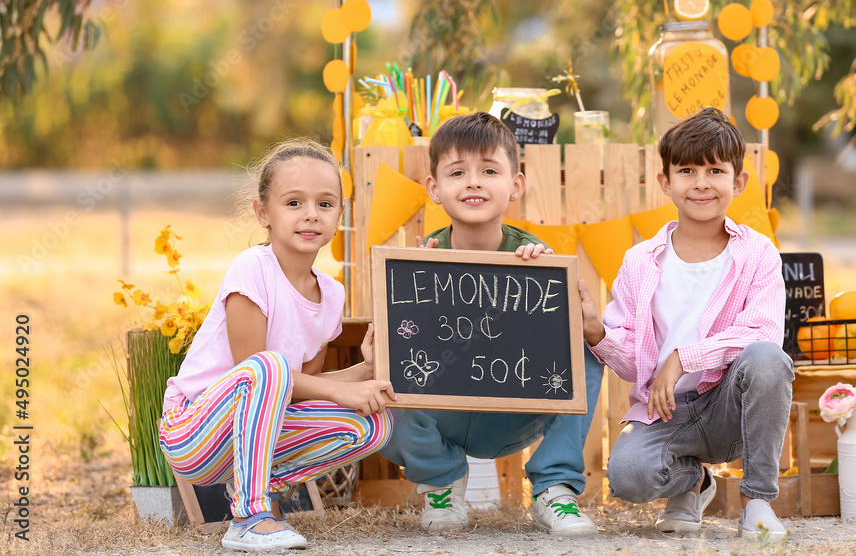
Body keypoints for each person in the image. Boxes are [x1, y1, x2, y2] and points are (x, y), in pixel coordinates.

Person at [159, 138, 395, 552]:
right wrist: (343, 389)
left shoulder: (332, 295)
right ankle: (250, 515)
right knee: (267, 366)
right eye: (293, 203)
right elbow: (255, 369)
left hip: (253, 435)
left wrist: (365, 370)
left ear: (341, 214)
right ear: (262, 212)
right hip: (193, 431)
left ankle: (254, 488)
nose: (310, 215)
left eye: (325, 204)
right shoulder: (253, 269)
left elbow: (298, 387)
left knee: (372, 425)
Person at [378, 112, 604, 535]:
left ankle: (554, 489)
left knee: (589, 353)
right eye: (457, 172)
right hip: (441, 414)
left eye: (489, 170)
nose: (473, 182)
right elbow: (400, 351)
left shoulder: (537, 257)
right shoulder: (421, 262)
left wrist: (550, 285)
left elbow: (564, 345)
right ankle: (442, 481)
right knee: (384, 369)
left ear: (515, 185)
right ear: (434, 188)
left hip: (513, 411)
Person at [579, 107, 793, 542]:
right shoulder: (641, 260)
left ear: (738, 182)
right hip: (667, 411)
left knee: (768, 358)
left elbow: (762, 334)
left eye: (715, 170)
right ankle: (694, 483)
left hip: (732, 409)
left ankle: (758, 503)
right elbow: (633, 359)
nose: (700, 183)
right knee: (628, 476)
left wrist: (683, 356)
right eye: (687, 170)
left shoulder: (758, 253)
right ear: (666, 182)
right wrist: (596, 334)